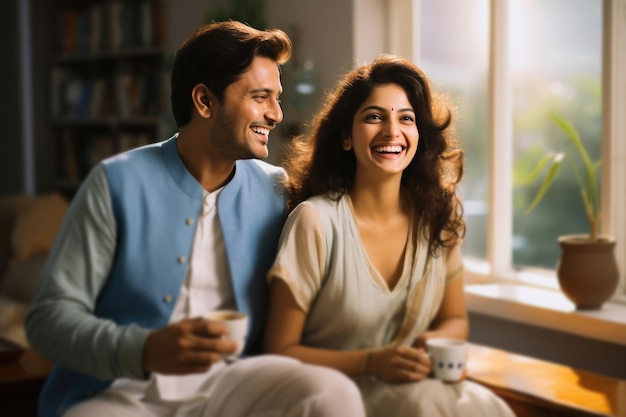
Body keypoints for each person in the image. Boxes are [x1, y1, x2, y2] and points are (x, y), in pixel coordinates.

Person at [25, 21, 366, 417]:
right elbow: (48, 320)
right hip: (123, 394)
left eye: (277, 98)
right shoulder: (115, 183)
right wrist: (145, 349)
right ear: (204, 101)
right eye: (260, 97)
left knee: (329, 393)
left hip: (232, 385)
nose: (275, 114)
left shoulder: (275, 189)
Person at [264, 54, 516, 416]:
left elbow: (454, 319)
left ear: (419, 136)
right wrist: (373, 363)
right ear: (347, 137)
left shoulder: (438, 219)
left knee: (488, 405)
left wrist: (430, 345)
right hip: (329, 398)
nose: (391, 132)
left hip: (411, 388)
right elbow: (279, 352)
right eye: (374, 117)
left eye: (406, 118)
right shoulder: (315, 222)